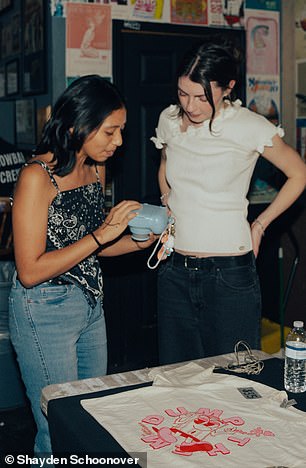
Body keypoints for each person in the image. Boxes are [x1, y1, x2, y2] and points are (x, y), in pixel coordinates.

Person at [8, 75, 156, 456]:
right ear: (76, 126)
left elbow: (92, 248)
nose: (119, 142)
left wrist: (140, 243)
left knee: (91, 419)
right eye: (109, 132)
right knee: (57, 429)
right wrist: (102, 235)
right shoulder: (35, 178)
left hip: (91, 305)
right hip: (44, 309)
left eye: (121, 131)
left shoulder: (94, 169)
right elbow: (30, 270)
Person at [151, 39, 306, 365]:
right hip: (174, 272)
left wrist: (260, 225)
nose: (190, 105)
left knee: (234, 377)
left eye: (201, 96)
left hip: (228, 275)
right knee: (178, 377)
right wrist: (168, 202)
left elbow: (299, 173)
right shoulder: (169, 119)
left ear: (228, 88)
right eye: (183, 93)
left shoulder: (248, 125)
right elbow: (165, 167)